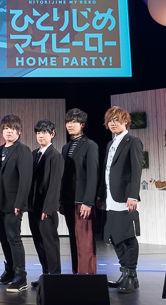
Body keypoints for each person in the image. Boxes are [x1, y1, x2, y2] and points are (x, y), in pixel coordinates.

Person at [99, 106, 143, 293]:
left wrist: (133, 196)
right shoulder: (110, 144)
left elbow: (136, 170)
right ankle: (125, 273)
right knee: (115, 237)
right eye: (110, 121)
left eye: (116, 120)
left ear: (125, 121)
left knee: (127, 237)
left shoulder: (133, 142)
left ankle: (131, 276)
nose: (113, 123)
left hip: (124, 197)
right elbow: (106, 171)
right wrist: (101, 195)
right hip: (110, 197)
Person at [0, 114, 33, 292]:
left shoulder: (22, 150)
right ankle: (9, 271)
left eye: (13, 128)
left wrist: (20, 203)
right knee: (2, 237)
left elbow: (25, 179)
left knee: (14, 238)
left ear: (19, 131)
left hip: (13, 204)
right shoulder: (1, 149)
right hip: (0, 204)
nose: (9, 131)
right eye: (6, 128)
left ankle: (20, 276)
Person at [60, 108, 99, 274]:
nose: (70, 125)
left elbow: (93, 175)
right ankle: (76, 273)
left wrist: (88, 202)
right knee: (74, 240)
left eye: (74, 122)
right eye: (68, 122)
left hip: (83, 202)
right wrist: (61, 200)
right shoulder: (65, 147)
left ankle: (87, 276)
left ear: (82, 124)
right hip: (68, 201)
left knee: (85, 242)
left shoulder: (90, 145)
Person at [28, 119, 63, 287]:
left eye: (44, 132)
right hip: (33, 207)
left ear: (52, 134)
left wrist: (48, 209)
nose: (41, 135)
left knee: (50, 244)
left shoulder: (55, 156)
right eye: (38, 132)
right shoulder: (34, 154)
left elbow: (55, 185)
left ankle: (54, 277)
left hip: (46, 209)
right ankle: (45, 274)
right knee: (39, 242)